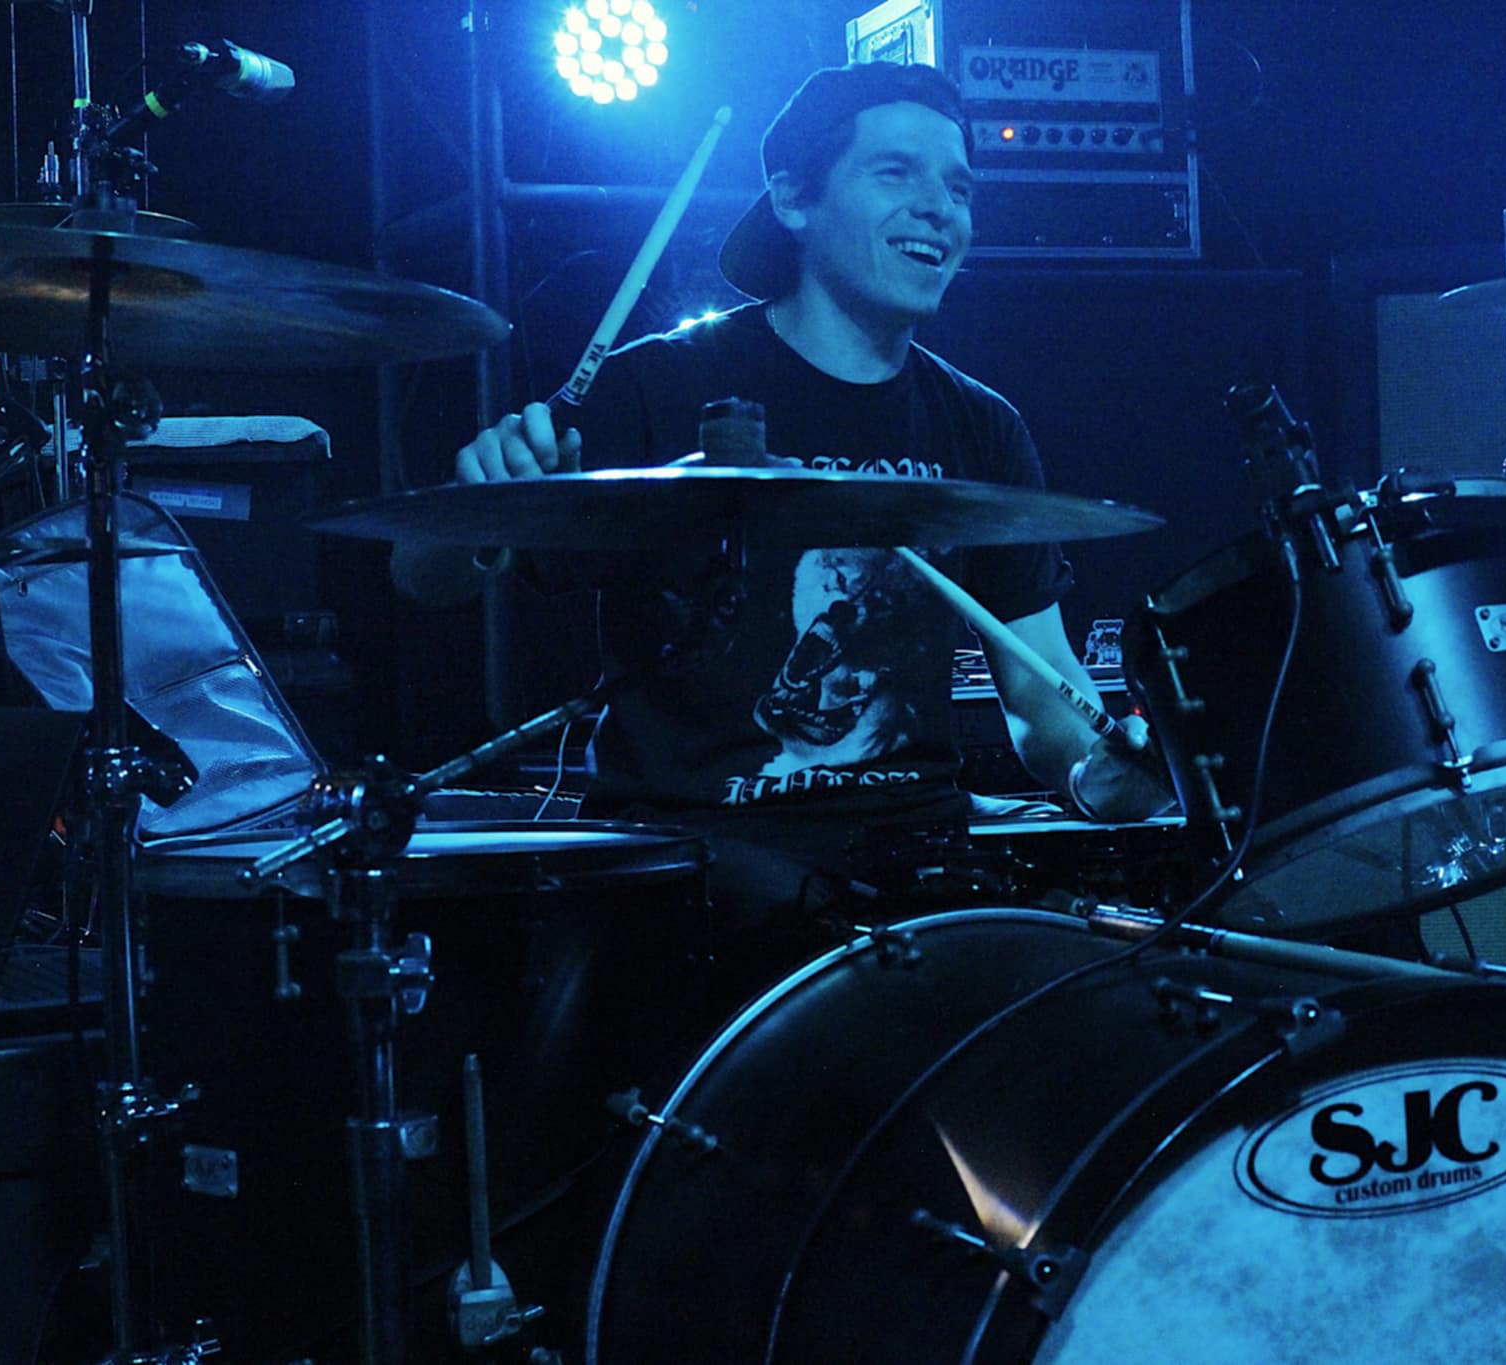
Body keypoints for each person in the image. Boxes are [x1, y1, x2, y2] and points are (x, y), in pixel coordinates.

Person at [413, 61, 1172, 958]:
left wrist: (1105, 772)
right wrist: (471, 517)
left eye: (959, 186)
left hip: (915, 871)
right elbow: (426, 584)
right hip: (689, 874)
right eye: (896, 172)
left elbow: (1046, 702)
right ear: (794, 200)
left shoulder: (980, 425)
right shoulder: (657, 387)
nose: (941, 207)